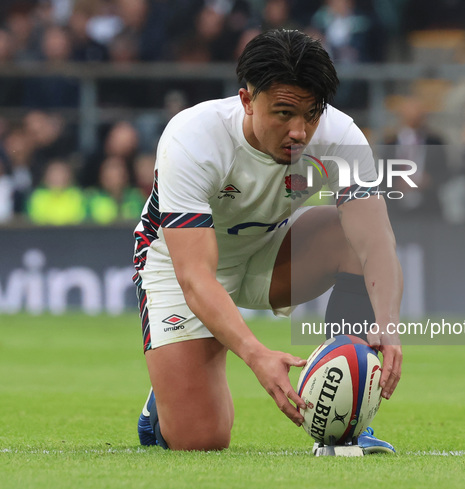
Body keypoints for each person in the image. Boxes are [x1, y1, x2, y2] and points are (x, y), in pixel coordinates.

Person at [134, 29, 403, 453]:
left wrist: (387, 325)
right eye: (283, 113)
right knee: (201, 439)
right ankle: (163, 405)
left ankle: (347, 422)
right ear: (246, 100)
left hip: (267, 252)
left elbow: (378, 243)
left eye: (312, 114)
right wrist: (257, 354)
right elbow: (194, 276)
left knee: (350, 234)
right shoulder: (193, 137)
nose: (300, 131)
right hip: (180, 267)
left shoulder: (341, 136)